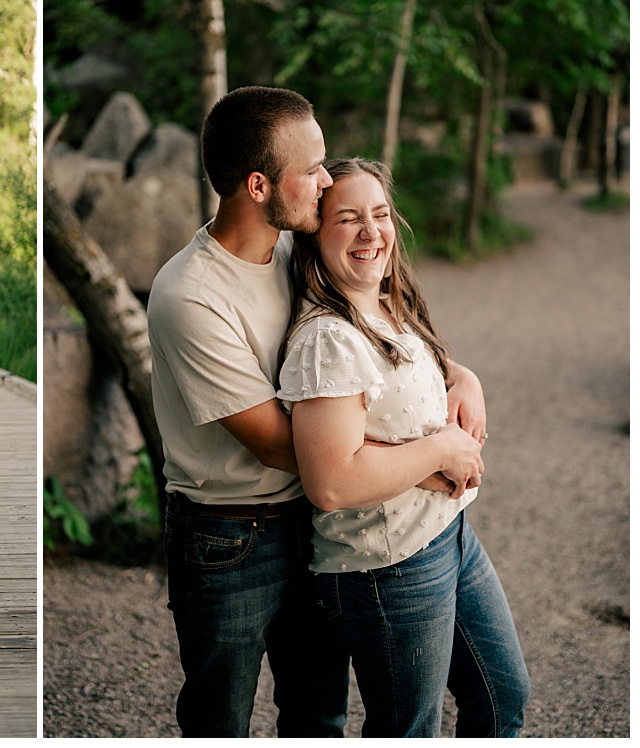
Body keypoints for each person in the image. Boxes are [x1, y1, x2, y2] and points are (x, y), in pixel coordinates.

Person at [147, 86, 488, 737]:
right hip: (229, 538)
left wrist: (459, 375)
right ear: (257, 184)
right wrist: (429, 459)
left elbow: (382, 338)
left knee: (317, 714)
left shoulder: (292, 251)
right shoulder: (188, 294)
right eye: (311, 169)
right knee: (219, 721)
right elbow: (281, 445)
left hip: (310, 524)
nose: (326, 181)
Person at [275, 157, 530, 737]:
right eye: (348, 219)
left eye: (380, 214)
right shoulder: (328, 342)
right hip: (388, 567)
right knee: (408, 730)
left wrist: (464, 376)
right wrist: (442, 447)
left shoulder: (384, 302)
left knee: (502, 695)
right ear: (315, 236)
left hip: (450, 535)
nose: (371, 232)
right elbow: (333, 482)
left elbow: (416, 371)